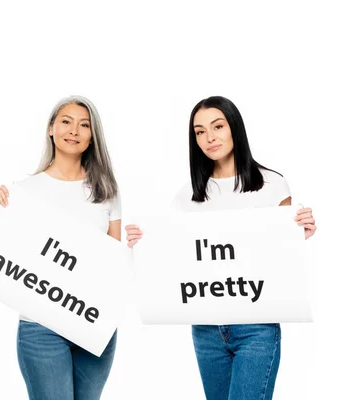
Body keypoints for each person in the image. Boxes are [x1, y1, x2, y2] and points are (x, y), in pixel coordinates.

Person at [125, 96, 317, 400]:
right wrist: (145, 244)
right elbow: (178, 258)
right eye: (199, 131)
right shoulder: (186, 197)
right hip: (206, 328)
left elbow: (280, 255)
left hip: (256, 327)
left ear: (234, 128)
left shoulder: (273, 185)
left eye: (217, 126)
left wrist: (299, 233)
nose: (209, 137)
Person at [0, 96, 121, 400]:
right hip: (41, 327)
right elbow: (7, 259)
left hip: (93, 322)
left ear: (92, 137)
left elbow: (114, 261)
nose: (74, 130)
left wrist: (139, 246)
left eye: (84, 125)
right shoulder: (23, 192)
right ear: (51, 129)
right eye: (66, 121)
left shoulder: (107, 191)